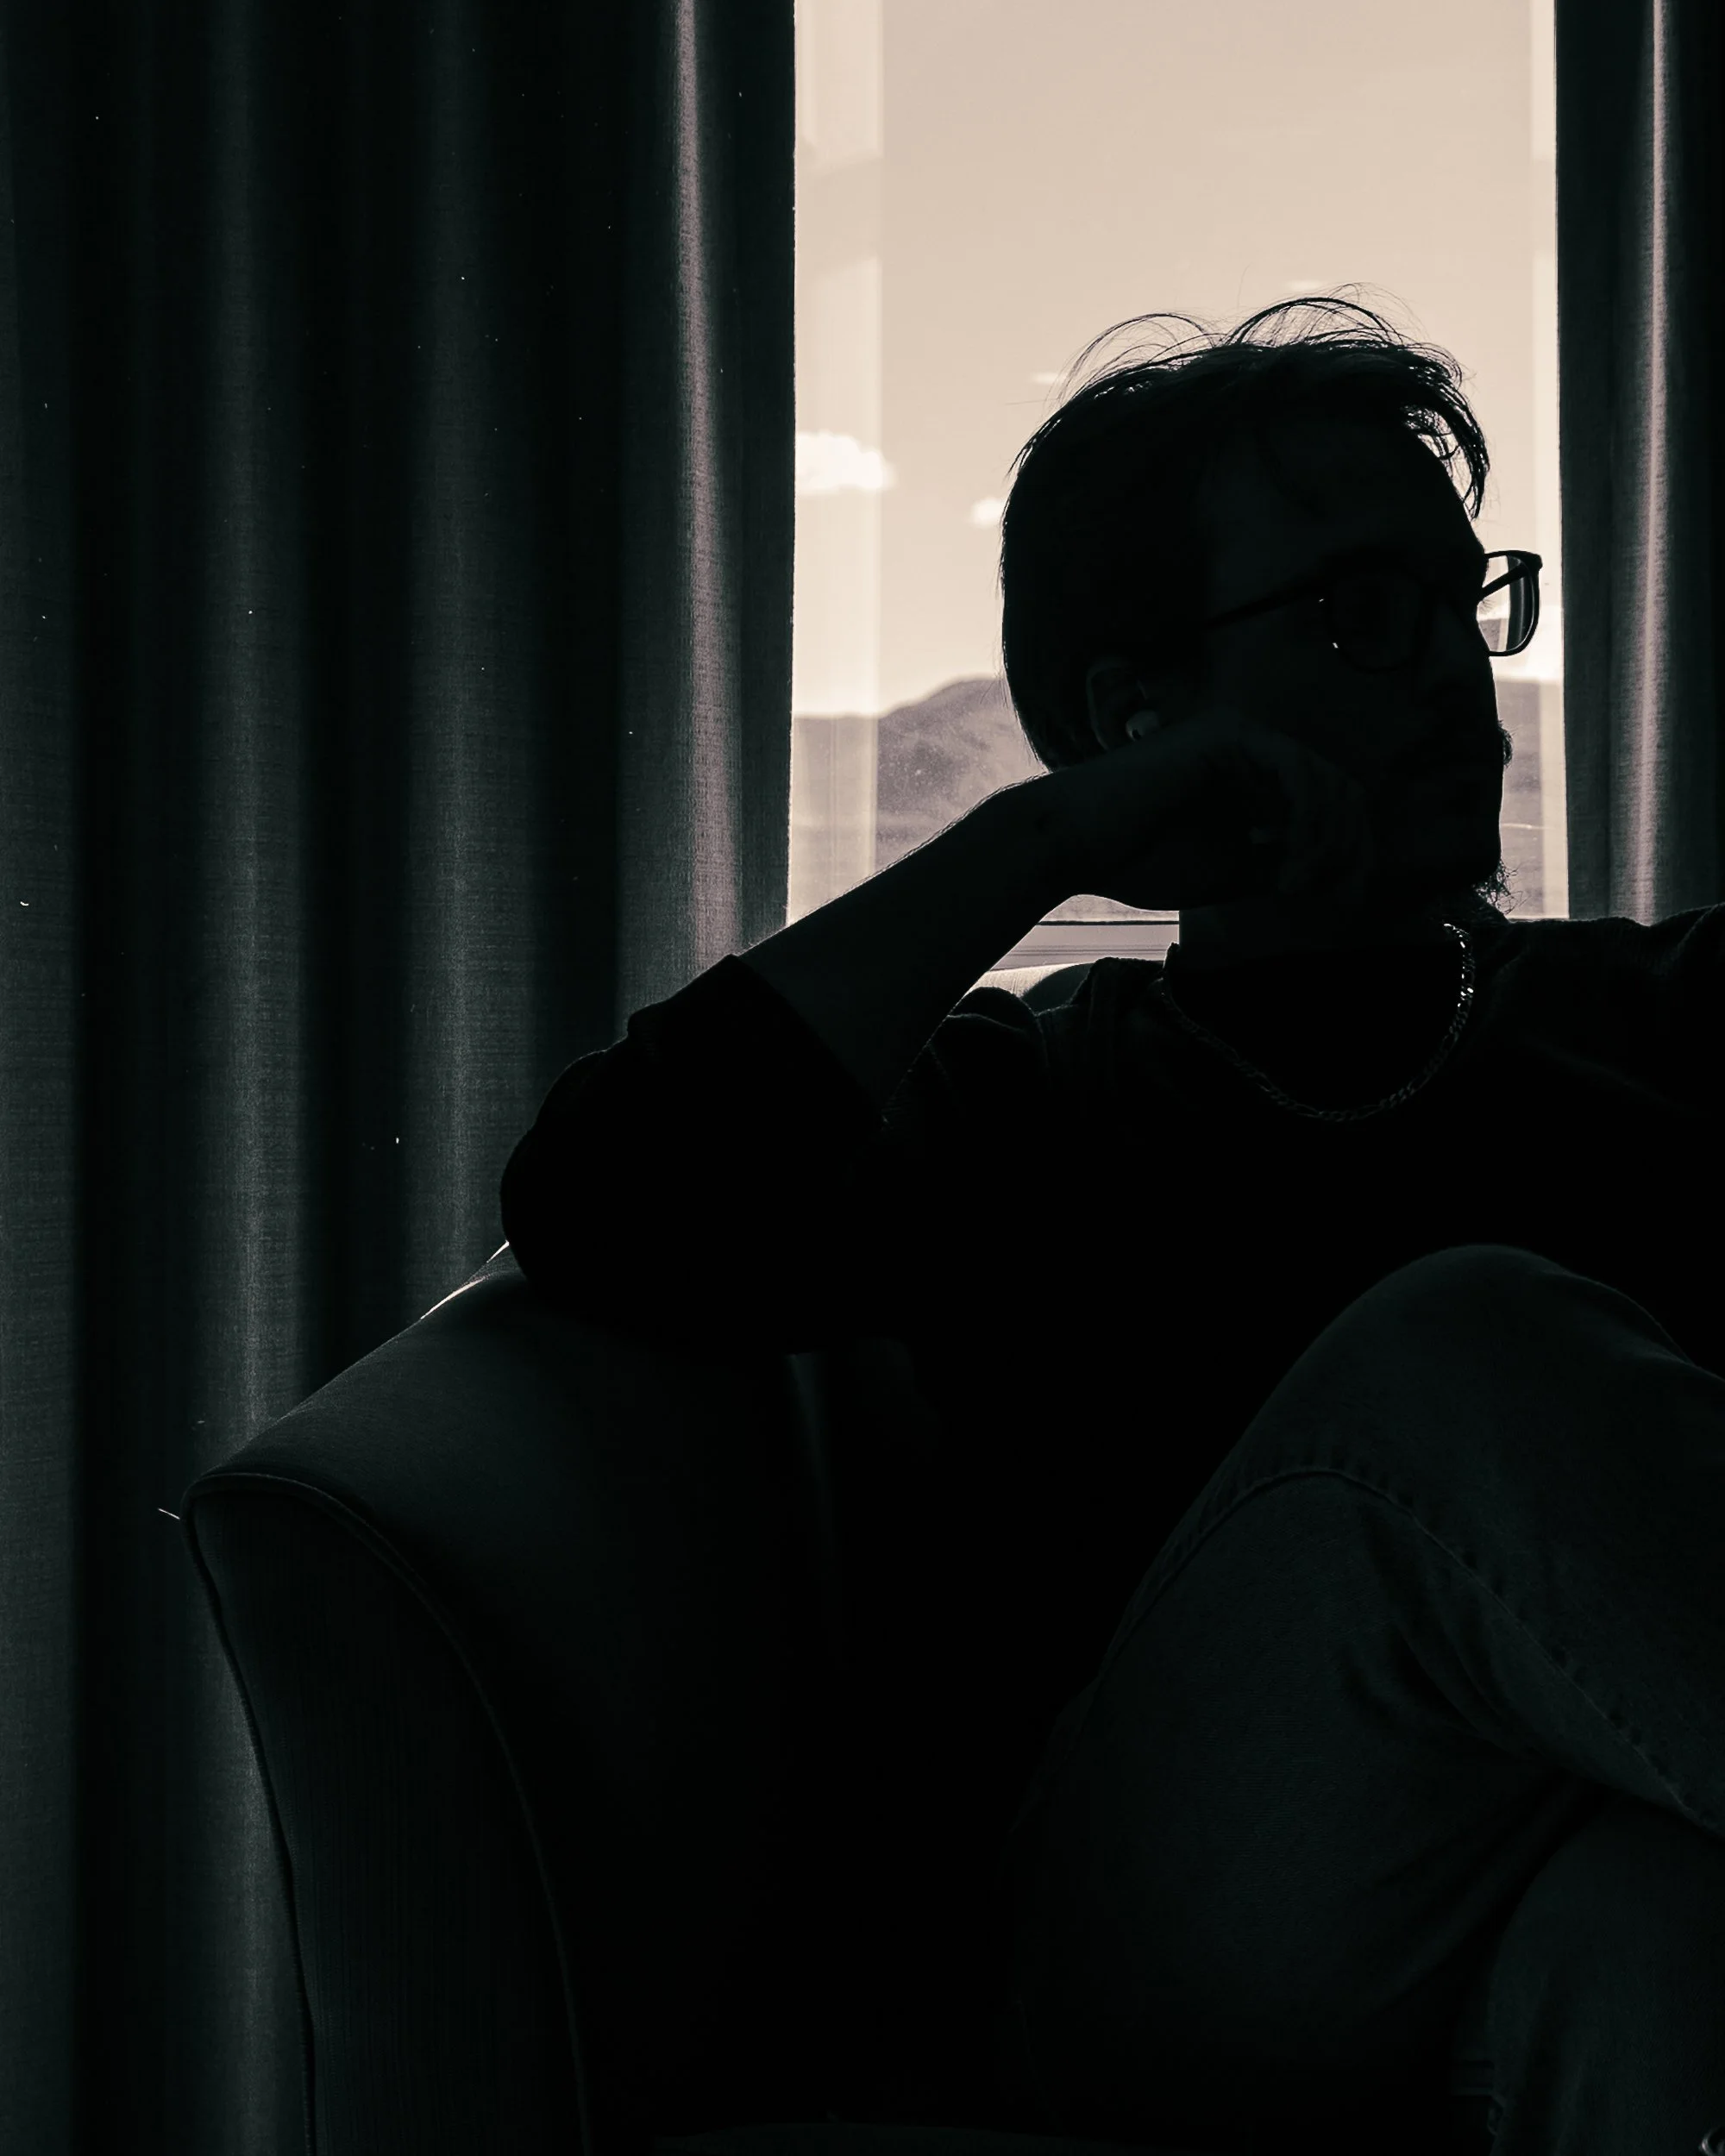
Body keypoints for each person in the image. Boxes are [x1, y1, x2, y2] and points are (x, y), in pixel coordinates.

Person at [499, 298, 1725, 2154]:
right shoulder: (1037, 1098)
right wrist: (1040, 843)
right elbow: (604, 1206)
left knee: (1654, 1940)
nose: (1457, 676)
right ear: (1132, 713)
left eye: (1465, 598)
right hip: (1173, 1955)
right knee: (1464, 1346)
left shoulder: (1659, 1020)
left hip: (1564, 1891)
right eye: (1356, 612)